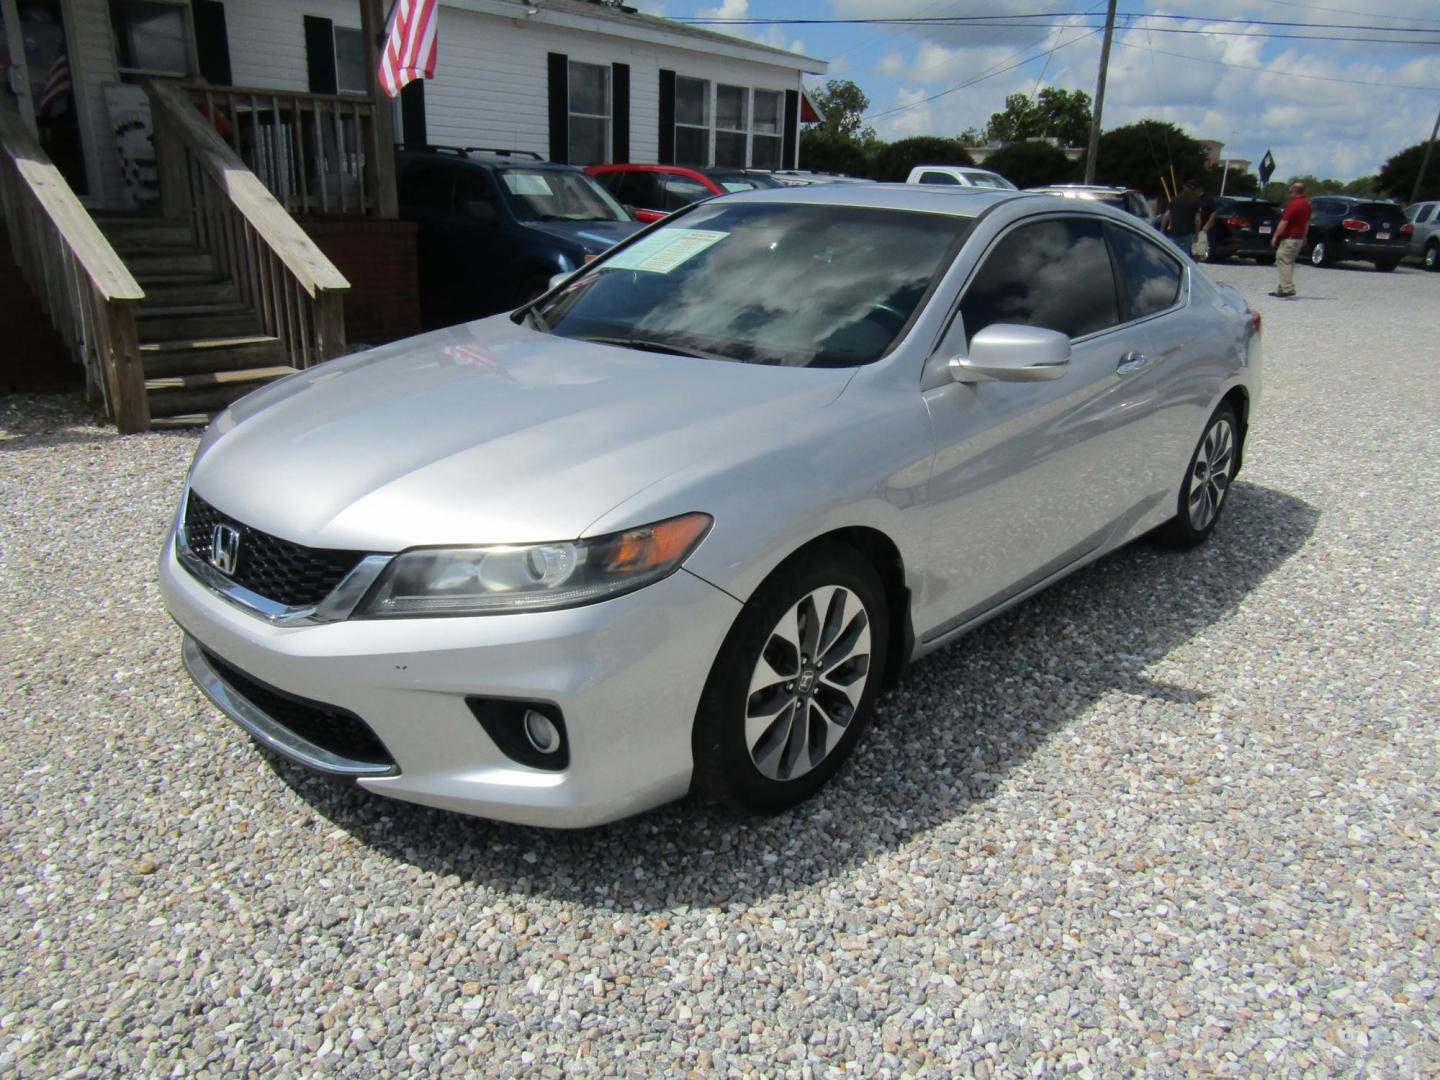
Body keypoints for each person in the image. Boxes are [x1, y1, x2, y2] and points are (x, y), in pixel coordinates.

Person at [1269, 180, 1312, 298]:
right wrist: (1304, 236)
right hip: (1298, 238)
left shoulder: (1294, 204)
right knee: (1288, 262)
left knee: (1283, 260)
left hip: (1290, 238)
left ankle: (1288, 287)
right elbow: (1307, 222)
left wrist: (1275, 236)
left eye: (1290, 191)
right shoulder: (1307, 205)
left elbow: (1284, 221)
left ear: (1293, 191)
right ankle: (1282, 288)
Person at [1162, 180, 1203, 258]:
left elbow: (1166, 215)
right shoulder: (1195, 202)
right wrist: (1197, 233)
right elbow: (1197, 219)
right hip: (1187, 233)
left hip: (1173, 232)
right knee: (1184, 256)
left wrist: (1162, 229)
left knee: (1170, 254)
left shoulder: (1174, 199)